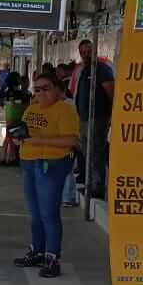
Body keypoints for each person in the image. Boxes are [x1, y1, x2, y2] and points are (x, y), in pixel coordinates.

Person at [13, 75, 80, 278]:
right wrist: (19, 139)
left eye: (46, 88)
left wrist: (37, 140)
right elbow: (25, 135)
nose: (41, 93)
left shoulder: (65, 110)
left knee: (48, 214)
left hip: (51, 165)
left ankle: (52, 258)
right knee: (35, 214)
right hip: (29, 164)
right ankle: (37, 251)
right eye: (37, 89)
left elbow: (70, 140)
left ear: (58, 90)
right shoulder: (31, 109)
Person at [74, 39, 114, 199]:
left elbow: (111, 92)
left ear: (95, 51)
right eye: (82, 52)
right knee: (87, 152)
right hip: (84, 118)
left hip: (97, 118)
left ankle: (97, 187)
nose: (85, 55)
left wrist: (109, 115)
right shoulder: (84, 69)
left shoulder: (102, 69)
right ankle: (90, 183)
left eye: (88, 51)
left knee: (95, 152)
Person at [55, 63, 80, 208]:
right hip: (62, 141)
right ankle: (67, 197)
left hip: (65, 141)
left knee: (66, 169)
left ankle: (66, 197)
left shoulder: (67, 104)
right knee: (66, 170)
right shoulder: (67, 104)